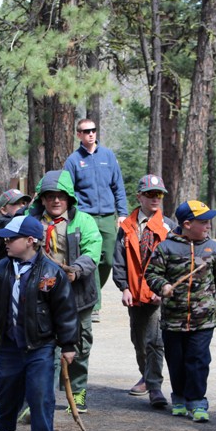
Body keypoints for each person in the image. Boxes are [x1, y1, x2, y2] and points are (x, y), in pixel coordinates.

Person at [0, 215, 78, 431]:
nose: (6, 242)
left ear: (30, 241)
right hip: (8, 345)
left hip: (40, 346)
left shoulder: (51, 273)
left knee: (40, 395)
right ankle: (2, 425)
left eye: (11, 238)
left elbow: (65, 311)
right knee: (6, 391)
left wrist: (69, 344)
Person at [145, 200, 216, 423]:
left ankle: (197, 401)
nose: (208, 226)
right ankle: (179, 397)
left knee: (198, 360)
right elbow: (152, 274)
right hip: (173, 320)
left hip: (202, 320)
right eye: (203, 222)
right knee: (176, 360)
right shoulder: (166, 247)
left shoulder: (213, 248)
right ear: (187, 224)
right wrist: (162, 285)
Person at [29, 170, 102, 413]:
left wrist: (76, 270)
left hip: (78, 295)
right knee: (45, 349)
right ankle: (42, 400)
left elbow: (93, 250)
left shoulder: (84, 221)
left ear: (70, 198)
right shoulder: (32, 222)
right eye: (50, 196)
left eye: (61, 196)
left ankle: (78, 394)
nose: (56, 201)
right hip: (43, 297)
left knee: (79, 346)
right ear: (42, 199)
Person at [112, 174, 174, 407]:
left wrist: (163, 286)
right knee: (138, 340)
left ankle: (155, 388)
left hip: (158, 293)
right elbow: (119, 259)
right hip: (135, 293)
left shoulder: (169, 226)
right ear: (139, 196)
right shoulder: (126, 226)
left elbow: (173, 261)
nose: (155, 198)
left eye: (158, 194)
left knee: (155, 341)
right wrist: (124, 287)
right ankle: (147, 376)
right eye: (150, 194)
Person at [63, 118, 128, 322]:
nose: (91, 133)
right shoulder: (73, 160)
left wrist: (123, 213)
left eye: (93, 130)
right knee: (91, 257)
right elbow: (68, 190)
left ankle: (91, 292)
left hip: (108, 216)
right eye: (86, 131)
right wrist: (72, 216)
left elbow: (118, 186)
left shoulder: (108, 156)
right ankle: (95, 305)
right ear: (79, 135)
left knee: (108, 259)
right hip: (85, 217)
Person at [0, 188, 31, 262]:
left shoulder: (23, 220)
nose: (22, 206)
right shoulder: (3, 223)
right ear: (3, 210)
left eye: (24, 203)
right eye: (16, 203)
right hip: (5, 268)